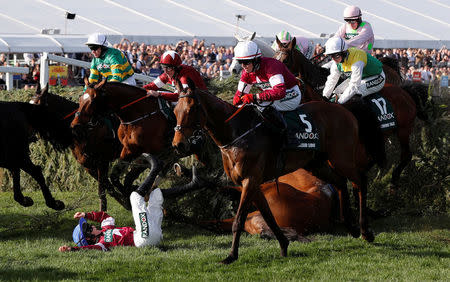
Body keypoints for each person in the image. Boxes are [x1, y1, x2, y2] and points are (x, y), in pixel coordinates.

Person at [59, 190, 163, 252]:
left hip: (155, 236)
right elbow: (90, 248)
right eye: (90, 228)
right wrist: (71, 249)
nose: (93, 226)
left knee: (156, 195)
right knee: (135, 197)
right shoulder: (102, 244)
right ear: (89, 237)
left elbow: (104, 217)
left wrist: (86, 215)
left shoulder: (106, 229)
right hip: (143, 238)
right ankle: (154, 165)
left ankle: (171, 178)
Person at [232, 41, 302, 114]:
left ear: (256, 60)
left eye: (246, 62)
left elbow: (279, 92)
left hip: (291, 94)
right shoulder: (247, 72)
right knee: (243, 107)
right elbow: (241, 93)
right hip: (274, 96)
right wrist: (237, 98)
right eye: (240, 61)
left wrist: (254, 97)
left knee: (259, 107)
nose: (243, 66)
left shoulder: (271, 66)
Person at [322, 37, 385, 104]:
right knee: (337, 91)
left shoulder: (357, 60)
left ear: (344, 52)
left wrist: (339, 103)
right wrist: (324, 97)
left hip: (377, 77)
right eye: (331, 56)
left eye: (336, 56)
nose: (334, 59)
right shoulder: (336, 63)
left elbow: (354, 86)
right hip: (361, 77)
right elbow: (332, 80)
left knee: (354, 94)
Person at [143, 50, 207, 102]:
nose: (165, 72)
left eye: (168, 68)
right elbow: (151, 86)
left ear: (176, 67)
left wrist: (159, 94)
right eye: (163, 67)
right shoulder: (168, 73)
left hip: (200, 100)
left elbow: (182, 96)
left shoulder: (184, 77)